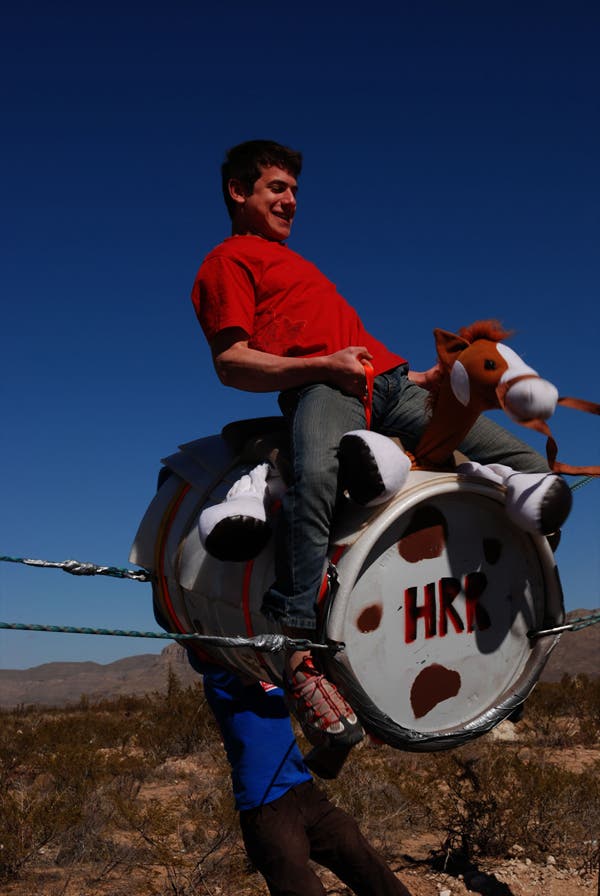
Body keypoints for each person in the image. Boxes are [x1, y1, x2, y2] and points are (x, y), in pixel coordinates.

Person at [190, 139, 551, 751]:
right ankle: (301, 650)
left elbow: (368, 359)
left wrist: (423, 380)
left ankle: (522, 594)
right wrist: (321, 367)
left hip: (388, 384)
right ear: (237, 192)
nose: (291, 201)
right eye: (277, 188)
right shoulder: (226, 262)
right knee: (318, 479)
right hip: (322, 386)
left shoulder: (301, 267)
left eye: (295, 192)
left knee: (525, 461)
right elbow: (231, 362)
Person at [189, 654, 414, 896]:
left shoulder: (273, 675)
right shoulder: (222, 674)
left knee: (359, 855)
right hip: (265, 805)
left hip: (305, 791)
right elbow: (207, 657)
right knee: (302, 890)